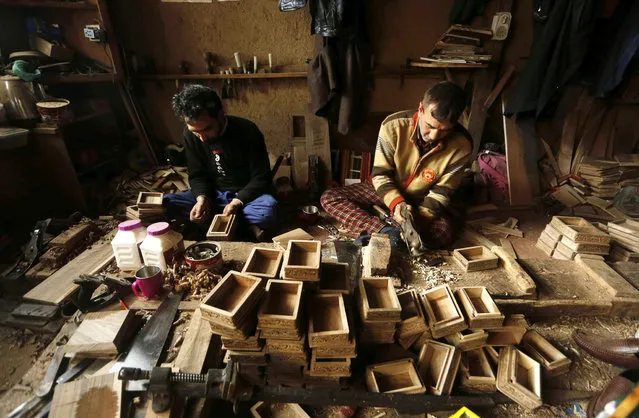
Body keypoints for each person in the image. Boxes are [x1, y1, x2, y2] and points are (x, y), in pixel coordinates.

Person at [320, 81, 472, 249]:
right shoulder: (393, 126)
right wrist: (396, 203)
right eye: (430, 126)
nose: (435, 135)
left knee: (443, 233)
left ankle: (393, 229)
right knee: (330, 197)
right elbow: (381, 174)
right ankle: (384, 230)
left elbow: (443, 192)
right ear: (421, 108)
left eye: (445, 130)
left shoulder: (462, 145)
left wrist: (416, 221)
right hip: (385, 190)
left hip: (422, 199)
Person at [164, 84, 277, 241]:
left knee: (268, 209)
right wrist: (202, 199)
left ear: (220, 114)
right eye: (195, 132)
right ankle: (243, 225)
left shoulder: (247, 130)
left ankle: (216, 222)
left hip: (246, 196)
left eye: (207, 129)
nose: (202, 138)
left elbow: (261, 177)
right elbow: (197, 175)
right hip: (215, 195)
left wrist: (238, 201)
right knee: (169, 202)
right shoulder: (190, 136)